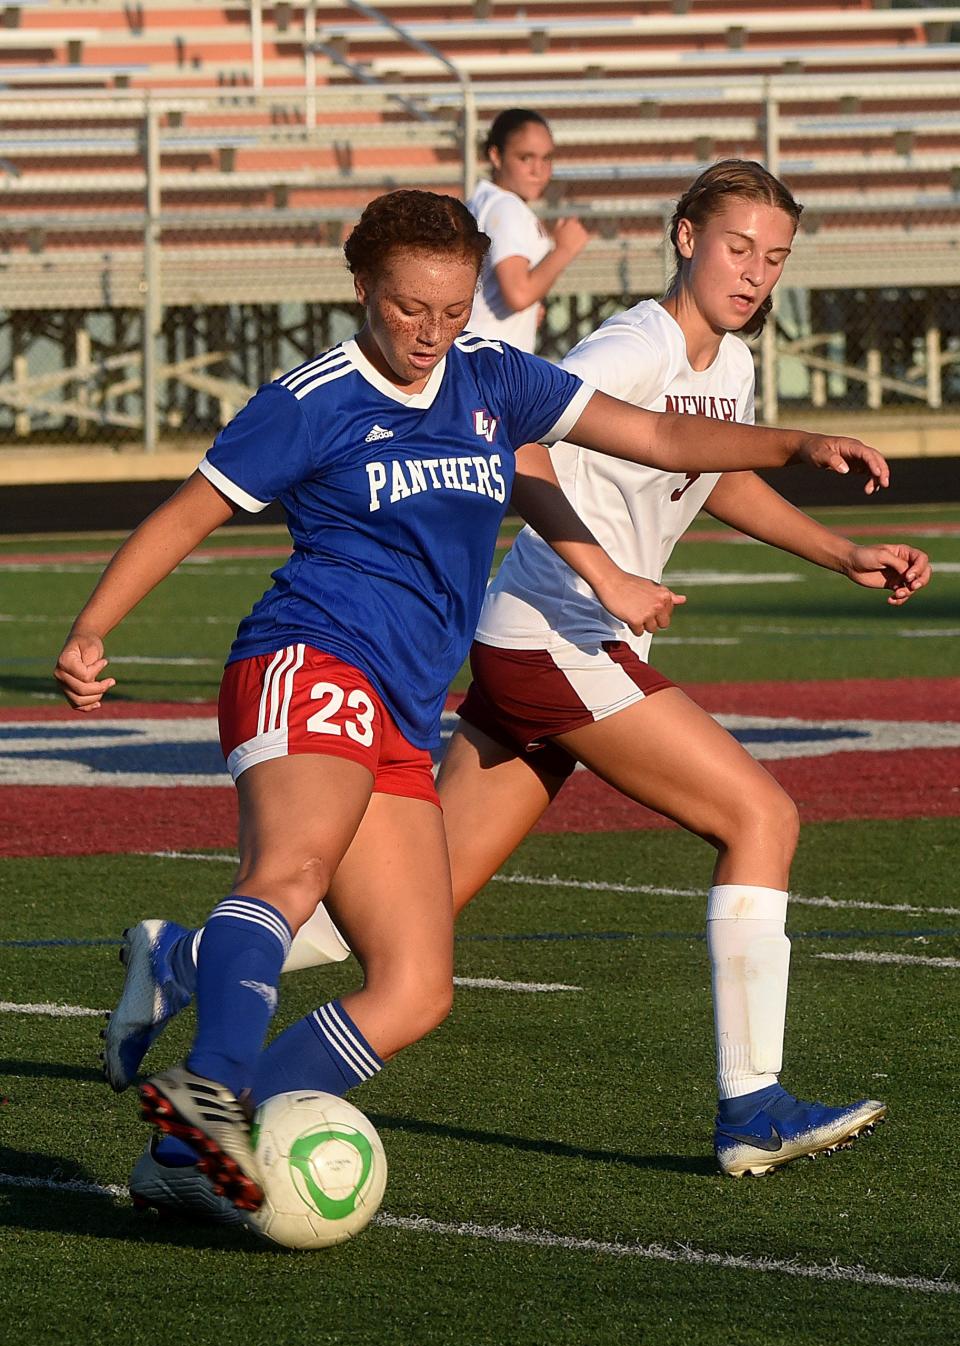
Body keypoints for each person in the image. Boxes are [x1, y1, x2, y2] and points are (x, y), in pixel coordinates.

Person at [60, 186, 894, 1220]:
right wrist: (95, 627)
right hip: (308, 657)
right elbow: (188, 512)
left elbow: (665, 443)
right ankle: (211, 1084)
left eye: (453, 311)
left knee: (415, 987)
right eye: (411, 308)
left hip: (411, 703)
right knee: (293, 866)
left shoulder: (494, 377)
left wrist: (796, 443)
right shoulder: (314, 397)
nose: (432, 332)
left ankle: (187, 1144)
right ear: (364, 286)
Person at [467, 108, 590, 352]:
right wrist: (564, 250)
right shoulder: (506, 206)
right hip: (491, 364)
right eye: (525, 158)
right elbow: (519, 294)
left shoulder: (484, 201)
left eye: (547, 158)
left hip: (474, 356)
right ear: (496, 156)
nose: (538, 170)